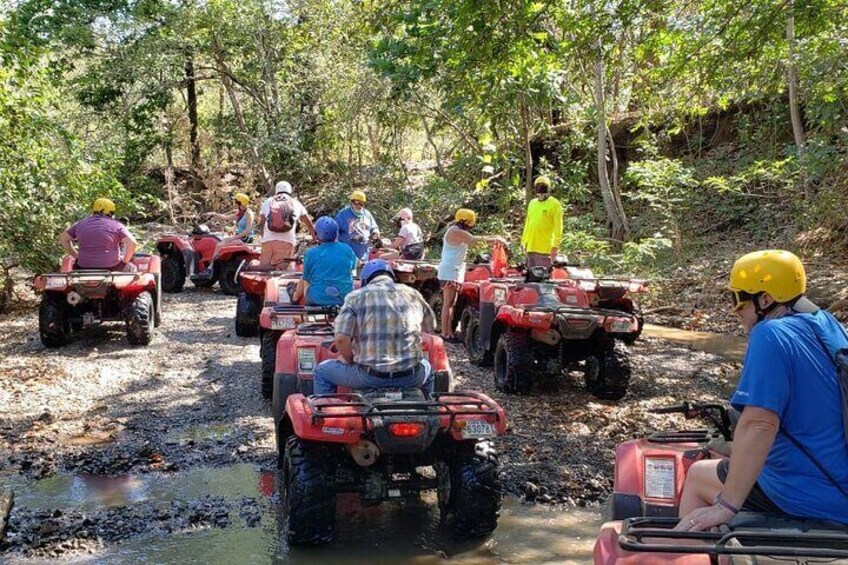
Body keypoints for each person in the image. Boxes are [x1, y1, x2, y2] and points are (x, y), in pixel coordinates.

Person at [676, 250, 848, 532]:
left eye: (738, 301)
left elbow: (760, 423)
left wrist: (726, 505)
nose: (737, 313)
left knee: (697, 475)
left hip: (810, 493)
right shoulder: (830, 325)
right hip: (839, 483)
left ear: (765, 299)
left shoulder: (771, 334)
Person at [312, 259, 436, 396]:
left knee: (321, 372)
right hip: (411, 377)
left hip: (370, 378)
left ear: (365, 280)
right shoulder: (413, 294)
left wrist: (349, 359)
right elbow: (430, 328)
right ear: (391, 276)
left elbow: (341, 339)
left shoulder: (355, 297)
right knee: (428, 369)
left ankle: (324, 414)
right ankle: (428, 408)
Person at [437, 208, 506, 342]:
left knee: (452, 303)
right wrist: (496, 239)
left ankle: (449, 331)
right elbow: (475, 241)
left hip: (455, 270)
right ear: (465, 221)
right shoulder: (455, 231)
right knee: (448, 304)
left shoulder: (459, 231)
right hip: (449, 270)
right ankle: (445, 333)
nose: (471, 226)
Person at [292, 216, 357, 306]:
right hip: (344, 299)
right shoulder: (347, 249)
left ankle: (294, 297)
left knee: (305, 278)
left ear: (317, 234)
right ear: (336, 233)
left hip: (317, 300)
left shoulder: (311, 253)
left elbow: (305, 278)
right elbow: (353, 267)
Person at [60, 198, 137, 271]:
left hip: (83, 267)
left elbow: (64, 239)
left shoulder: (80, 224)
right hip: (111, 267)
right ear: (110, 213)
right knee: (132, 268)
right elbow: (132, 242)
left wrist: (76, 256)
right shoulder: (117, 225)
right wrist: (124, 262)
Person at [256, 181, 315, 270]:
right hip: (286, 241)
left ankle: (248, 269)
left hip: (267, 241)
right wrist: (315, 237)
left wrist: (264, 238)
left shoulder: (268, 201)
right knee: (280, 271)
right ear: (289, 190)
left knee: (264, 269)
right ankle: (248, 268)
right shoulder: (295, 203)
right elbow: (308, 223)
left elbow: (261, 224)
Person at [521, 175, 563, 269]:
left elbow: (558, 227)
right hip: (531, 247)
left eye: (543, 188)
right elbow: (528, 223)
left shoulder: (555, 204)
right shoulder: (532, 203)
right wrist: (523, 241)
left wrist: (555, 246)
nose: (541, 194)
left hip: (545, 249)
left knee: (543, 277)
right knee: (531, 276)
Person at [204, 192, 255, 257]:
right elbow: (226, 218)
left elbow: (248, 230)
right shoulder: (241, 213)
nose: (234, 204)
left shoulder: (249, 214)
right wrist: (214, 214)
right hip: (238, 236)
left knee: (220, 245)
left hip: (245, 238)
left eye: (236, 202)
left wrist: (233, 238)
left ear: (240, 203)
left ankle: (211, 264)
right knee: (217, 239)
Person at [336, 190, 380, 261]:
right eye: (356, 203)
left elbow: (374, 228)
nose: (358, 206)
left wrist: (375, 233)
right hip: (347, 257)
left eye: (361, 204)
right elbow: (335, 233)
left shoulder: (367, 214)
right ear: (351, 202)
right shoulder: (343, 214)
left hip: (364, 255)